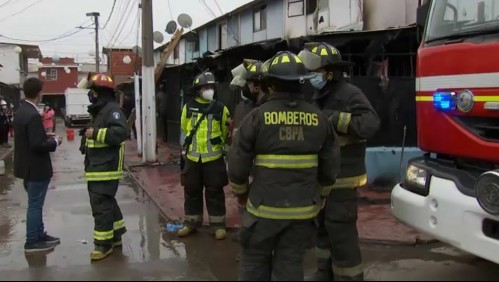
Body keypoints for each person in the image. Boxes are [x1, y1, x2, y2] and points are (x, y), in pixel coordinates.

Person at [228, 51, 340, 281]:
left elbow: (237, 163)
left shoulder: (257, 117)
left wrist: (241, 194)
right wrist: (322, 194)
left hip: (262, 212)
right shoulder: (319, 118)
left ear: (269, 85)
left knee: (254, 263)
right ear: (302, 83)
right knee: (290, 264)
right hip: (302, 213)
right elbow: (330, 166)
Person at [299, 42, 380, 281]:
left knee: (341, 232)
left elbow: (370, 124)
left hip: (344, 178)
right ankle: (325, 272)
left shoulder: (349, 93)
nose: (312, 76)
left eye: (315, 71)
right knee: (322, 228)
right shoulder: (318, 95)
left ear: (329, 72)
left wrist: (334, 119)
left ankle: (349, 277)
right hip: (322, 178)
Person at [178, 70, 231, 240]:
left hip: (213, 158)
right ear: (198, 89)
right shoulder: (188, 107)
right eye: (205, 87)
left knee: (214, 191)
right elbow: (185, 129)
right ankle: (191, 223)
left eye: (211, 87)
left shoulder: (221, 108)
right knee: (191, 190)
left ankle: (218, 225)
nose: (209, 90)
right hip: (193, 158)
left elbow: (225, 131)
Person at [82, 73, 129, 261]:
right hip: (98, 166)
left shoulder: (112, 110)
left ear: (99, 92)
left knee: (100, 206)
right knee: (107, 202)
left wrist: (96, 133)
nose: (90, 95)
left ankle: (103, 245)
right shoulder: (101, 110)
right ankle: (116, 236)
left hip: (105, 167)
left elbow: (120, 132)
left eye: (92, 91)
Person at [13, 78, 63, 253]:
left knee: (36, 204)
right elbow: (37, 145)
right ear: (38, 93)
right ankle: (33, 241)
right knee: (35, 205)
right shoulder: (33, 115)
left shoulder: (21, 111)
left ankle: (39, 234)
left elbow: (30, 140)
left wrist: (47, 136)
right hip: (36, 168)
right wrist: (55, 142)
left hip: (26, 167)